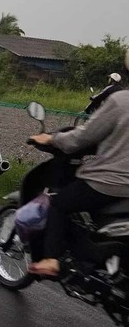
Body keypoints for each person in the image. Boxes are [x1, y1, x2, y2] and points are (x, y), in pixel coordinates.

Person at [27, 88, 129, 277]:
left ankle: (51, 260)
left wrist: (52, 138)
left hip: (110, 182)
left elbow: (84, 137)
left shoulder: (120, 100)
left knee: (58, 204)